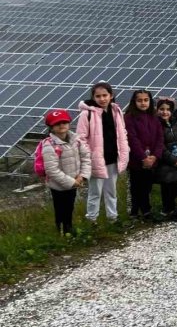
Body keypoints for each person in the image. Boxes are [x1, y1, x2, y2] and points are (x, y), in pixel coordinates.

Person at [77, 82, 129, 225]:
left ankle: (113, 218)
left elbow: (122, 132)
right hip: (97, 160)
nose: (102, 99)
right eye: (98, 96)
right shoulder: (86, 114)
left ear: (111, 96)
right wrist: (90, 156)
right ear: (93, 97)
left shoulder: (116, 111)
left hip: (113, 157)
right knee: (95, 192)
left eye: (105, 95)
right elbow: (80, 139)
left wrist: (125, 150)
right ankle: (91, 219)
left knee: (111, 190)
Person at [41, 109, 91, 236]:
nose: (61, 125)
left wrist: (82, 176)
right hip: (59, 185)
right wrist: (71, 182)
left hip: (75, 181)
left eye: (64, 122)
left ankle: (69, 229)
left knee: (69, 207)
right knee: (60, 209)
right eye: (57, 124)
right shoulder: (49, 145)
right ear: (51, 127)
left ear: (69, 123)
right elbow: (51, 170)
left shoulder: (76, 140)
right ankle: (61, 232)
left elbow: (86, 157)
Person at [123, 89, 163, 221]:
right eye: (139, 100)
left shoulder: (154, 116)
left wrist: (155, 156)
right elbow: (132, 139)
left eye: (146, 100)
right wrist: (143, 157)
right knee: (136, 186)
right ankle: (135, 211)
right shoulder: (129, 118)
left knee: (147, 186)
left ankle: (146, 210)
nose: (143, 103)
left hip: (152, 159)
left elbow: (159, 138)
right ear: (134, 102)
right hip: (136, 160)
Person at [156, 98, 177, 221]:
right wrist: (173, 159)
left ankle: (168, 208)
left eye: (168, 110)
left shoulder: (175, 124)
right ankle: (169, 210)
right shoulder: (157, 125)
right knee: (167, 185)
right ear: (157, 110)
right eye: (162, 109)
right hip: (165, 162)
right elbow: (160, 146)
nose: (165, 112)